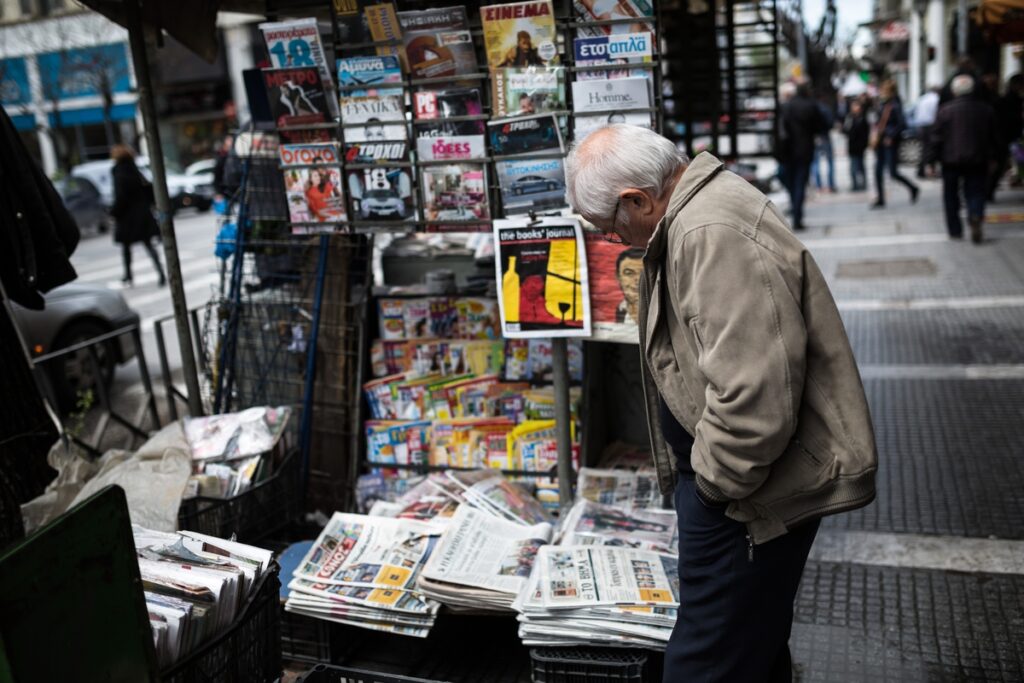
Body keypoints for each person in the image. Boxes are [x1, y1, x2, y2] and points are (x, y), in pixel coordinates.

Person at [566, 124, 877, 683]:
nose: (613, 241)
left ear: (637, 199)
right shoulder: (697, 215)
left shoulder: (709, 231)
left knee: (708, 660)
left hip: (743, 497)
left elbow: (753, 397)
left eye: (609, 227)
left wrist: (712, 488)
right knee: (747, 647)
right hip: (737, 488)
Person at [929, 75, 998, 244]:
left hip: (950, 160)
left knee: (950, 195)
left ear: (954, 91)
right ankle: (975, 214)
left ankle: (955, 230)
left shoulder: (945, 110)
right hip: (977, 159)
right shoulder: (985, 110)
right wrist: (994, 158)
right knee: (976, 192)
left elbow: (936, 138)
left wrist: (931, 161)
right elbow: (994, 137)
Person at [109, 144, 165, 287]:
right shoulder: (134, 169)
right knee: (148, 245)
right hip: (141, 214)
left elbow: (120, 195)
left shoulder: (118, 171)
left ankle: (128, 275)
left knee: (126, 248)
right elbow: (148, 189)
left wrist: (114, 212)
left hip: (127, 216)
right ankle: (161, 273)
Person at [777, 82, 827, 230]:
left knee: (791, 181)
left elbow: (781, 128)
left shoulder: (787, 106)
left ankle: (795, 207)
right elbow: (821, 126)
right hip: (805, 150)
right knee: (800, 183)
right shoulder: (811, 106)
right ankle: (797, 216)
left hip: (788, 151)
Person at [871, 80, 919, 209]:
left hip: (889, 142)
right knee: (877, 171)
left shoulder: (895, 105)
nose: (881, 92)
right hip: (881, 141)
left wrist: (891, 135)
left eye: (884, 90)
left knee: (893, 172)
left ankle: (913, 187)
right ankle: (880, 198)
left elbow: (902, 124)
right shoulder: (882, 104)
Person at [991, 74, 1024, 200]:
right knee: (1002, 162)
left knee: (1003, 163)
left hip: (1008, 136)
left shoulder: (1007, 99)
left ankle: (989, 189)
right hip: (1008, 136)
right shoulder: (1009, 100)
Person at [911, 86, 940, 178]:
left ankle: (922, 170)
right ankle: (929, 170)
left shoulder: (923, 98)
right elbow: (936, 113)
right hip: (930, 125)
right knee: (931, 149)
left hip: (921, 125)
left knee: (924, 148)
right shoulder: (936, 99)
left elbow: (915, 112)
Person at [810, 97, 837, 193]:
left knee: (815, 162)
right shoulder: (826, 109)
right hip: (825, 136)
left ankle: (819, 186)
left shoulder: (811, 109)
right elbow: (831, 123)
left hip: (815, 138)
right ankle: (831, 185)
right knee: (830, 161)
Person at [844, 98, 870, 191]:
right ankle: (855, 184)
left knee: (861, 166)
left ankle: (863, 183)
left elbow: (866, 133)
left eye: (856, 106)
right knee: (853, 167)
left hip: (860, 146)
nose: (855, 108)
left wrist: (865, 144)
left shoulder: (863, 119)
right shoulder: (849, 118)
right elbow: (846, 130)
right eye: (853, 106)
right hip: (852, 146)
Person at [613, 247, 644, 324]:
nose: (638, 279)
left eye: (643, 273)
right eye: (629, 273)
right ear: (618, 277)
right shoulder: (618, 312)